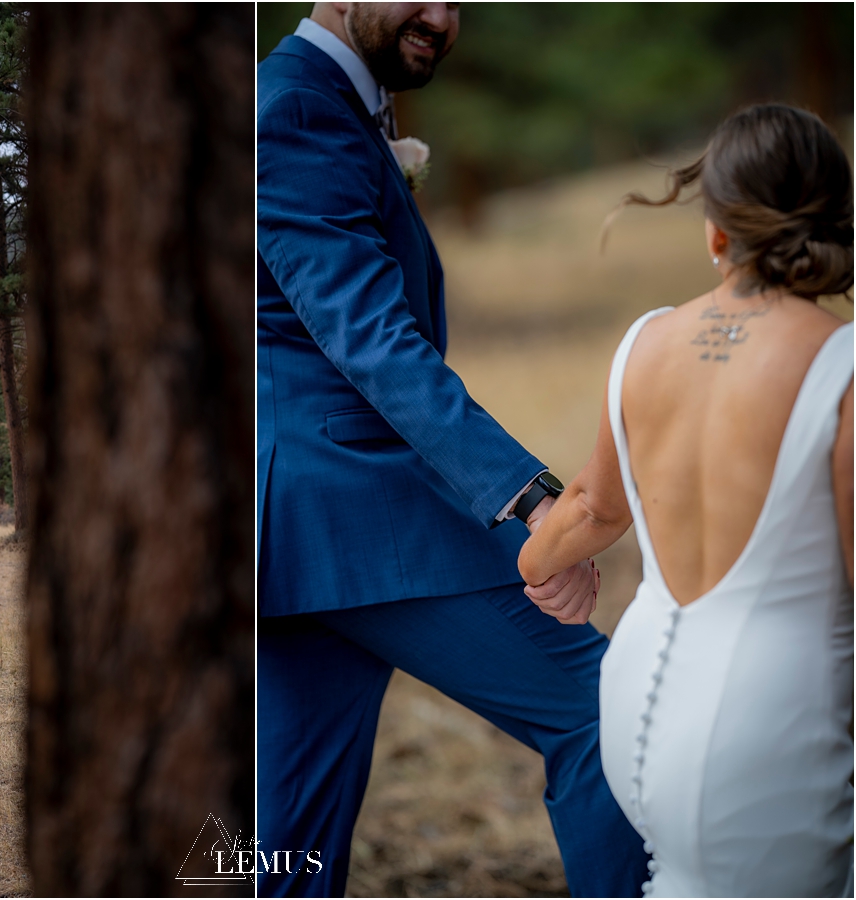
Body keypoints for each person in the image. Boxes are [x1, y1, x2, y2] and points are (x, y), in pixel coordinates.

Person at [257, 3, 645, 895]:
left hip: (292, 535)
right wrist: (532, 498)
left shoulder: (323, 101)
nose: (440, 16)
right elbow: (372, 340)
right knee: (602, 715)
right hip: (353, 509)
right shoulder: (296, 109)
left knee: (291, 834)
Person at [518, 103, 853, 897]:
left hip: (635, 712)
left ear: (715, 234)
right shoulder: (840, 368)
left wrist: (537, 565)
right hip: (773, 726)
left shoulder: (646, 342)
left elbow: (594, 511)